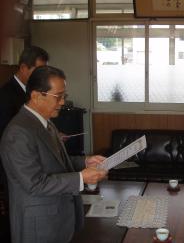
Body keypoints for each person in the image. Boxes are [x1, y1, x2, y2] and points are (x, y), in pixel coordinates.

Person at [0, 65, 108, 243]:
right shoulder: (18, 133)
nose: (63, 102)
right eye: (57, 96)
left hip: (57, 219)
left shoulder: (46, 122)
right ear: (36, 96)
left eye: (63, 96)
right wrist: (81, 178)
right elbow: (34, 184)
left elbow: (56, 162)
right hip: (38, 226)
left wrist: (85, 162)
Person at [0, 45, 49, 243]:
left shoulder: (30, 92)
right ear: (23, 67)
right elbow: (9, 135)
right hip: (13, 164)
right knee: (16, 214)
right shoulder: (5, 95)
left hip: (32, 160)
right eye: (37, 71)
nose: (40, 76)